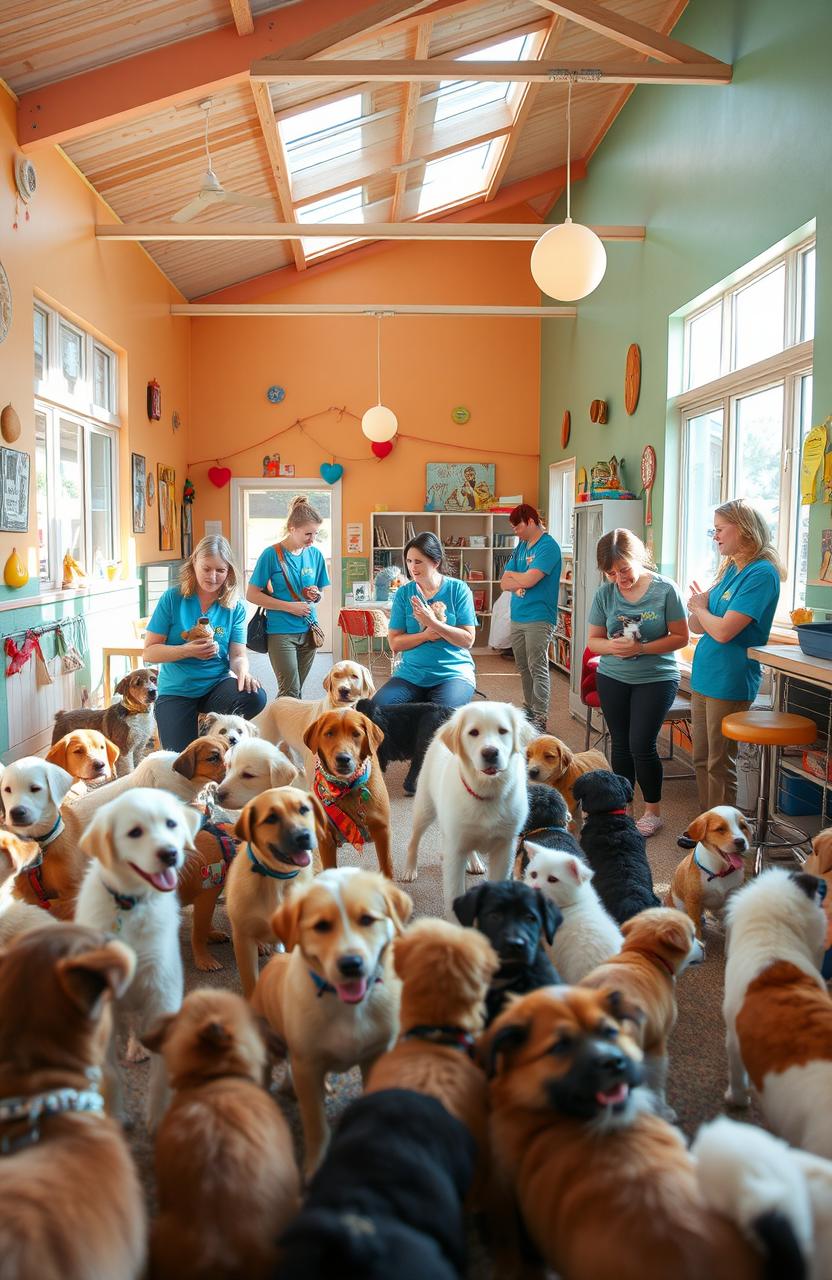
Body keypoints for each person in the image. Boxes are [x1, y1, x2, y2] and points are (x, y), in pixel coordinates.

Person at [587, 529, 689, 838]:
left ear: (639, 558)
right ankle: (624, 807)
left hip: (656, 676)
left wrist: (640, 648)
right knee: (619, 742)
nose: (619, 577)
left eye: (625, 569)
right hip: (613, 675)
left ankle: (652, 812)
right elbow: (594, 642)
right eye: (611, 572)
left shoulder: (665, 590)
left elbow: (681, 638)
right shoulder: (605, 594)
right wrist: (615, 648)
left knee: (641, 743)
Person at [687, 499, 785, 809]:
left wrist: (702, 608)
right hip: (704, 675)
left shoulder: (761, 573)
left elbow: (724, 631)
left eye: (719, 529)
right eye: (712, 530)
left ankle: (723, 836)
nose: (714, 536)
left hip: (729, 679)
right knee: (701, 758)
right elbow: (698, 626)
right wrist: (700, 609)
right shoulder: (730, 569)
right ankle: (708, 825)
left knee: (719, 763)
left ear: (743, 529)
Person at [144, 534, 266, 751]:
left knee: (255, 696)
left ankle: (215, 734)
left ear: (228, 571)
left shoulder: (235, 606)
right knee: (180, 759)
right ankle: (205, 730)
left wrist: (243, 673)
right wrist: (186, 651)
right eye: (206, 568)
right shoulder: (173, 598)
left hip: (215, 686)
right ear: (194, 565)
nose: (213, 576)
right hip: (176, 690)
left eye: (220, 570)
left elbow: (237, 655)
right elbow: (150, 653)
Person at [372, 531, 477, 725]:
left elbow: (468, 640)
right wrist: (427, 635)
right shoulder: (404, 594)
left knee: (438, 720)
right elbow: (395, 643)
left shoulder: (458, 589)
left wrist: (434, 623)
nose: (412, 567)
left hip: (453, 673)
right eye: (409, 561)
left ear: (435, 562)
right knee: (374, 712)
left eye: (418, 562)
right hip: (411, 674)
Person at [245, 494, 330, 699]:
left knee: (297, 689)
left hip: (310, 630)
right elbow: (252, 594)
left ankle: (293, 727)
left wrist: (316, 595)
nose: (313, 540)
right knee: (289, 691)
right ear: (292, 529)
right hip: (281, 631)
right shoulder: (271, 554)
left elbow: (321, 594)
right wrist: (289, 607)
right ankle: (281, 730)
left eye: (316, 534)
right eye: (308, 534)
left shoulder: (315, 555)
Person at [500, 503, 562, 732]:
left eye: (518, 526)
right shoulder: (522, 546)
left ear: (532, 521)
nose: (515, 531)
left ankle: (540, 717)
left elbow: (529, 581)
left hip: (539, 616)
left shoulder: (549, 547)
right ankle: (529, 711)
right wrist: (519, 579)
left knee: (537, 665)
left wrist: (519, 579)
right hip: (518, 615)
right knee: (523, 666)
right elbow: (503, 581)